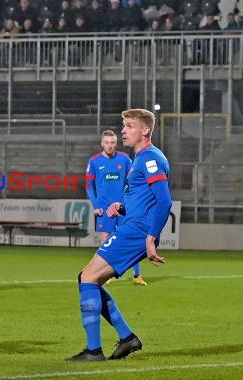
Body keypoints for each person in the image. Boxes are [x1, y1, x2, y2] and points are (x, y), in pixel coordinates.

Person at [68, 109, 172, 361]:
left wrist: (151, 237)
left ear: (145, 130)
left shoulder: (149, 158)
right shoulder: (140, 159)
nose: (123, 130)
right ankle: (126, 338)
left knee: (88, 278)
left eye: (128, 126)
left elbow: (164, 200)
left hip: (136, 231)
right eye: (123, 126)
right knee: (88, 279)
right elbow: (145, 199)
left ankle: (95, 350)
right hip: (132, 225)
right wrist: (122, 206)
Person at [86, 130, 147, 286]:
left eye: (112, 142)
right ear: (102, 143)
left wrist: (133, 200)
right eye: (106, 142)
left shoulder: (124, 159)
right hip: (105, 208)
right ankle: (106, 274)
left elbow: (134, 180)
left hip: (124, 206)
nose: (110, 145)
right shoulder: (94, 162)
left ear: (116, 143)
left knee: (131, 238)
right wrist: (96, 205)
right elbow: (88, 186)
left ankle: (137, 275)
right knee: (105, 242)